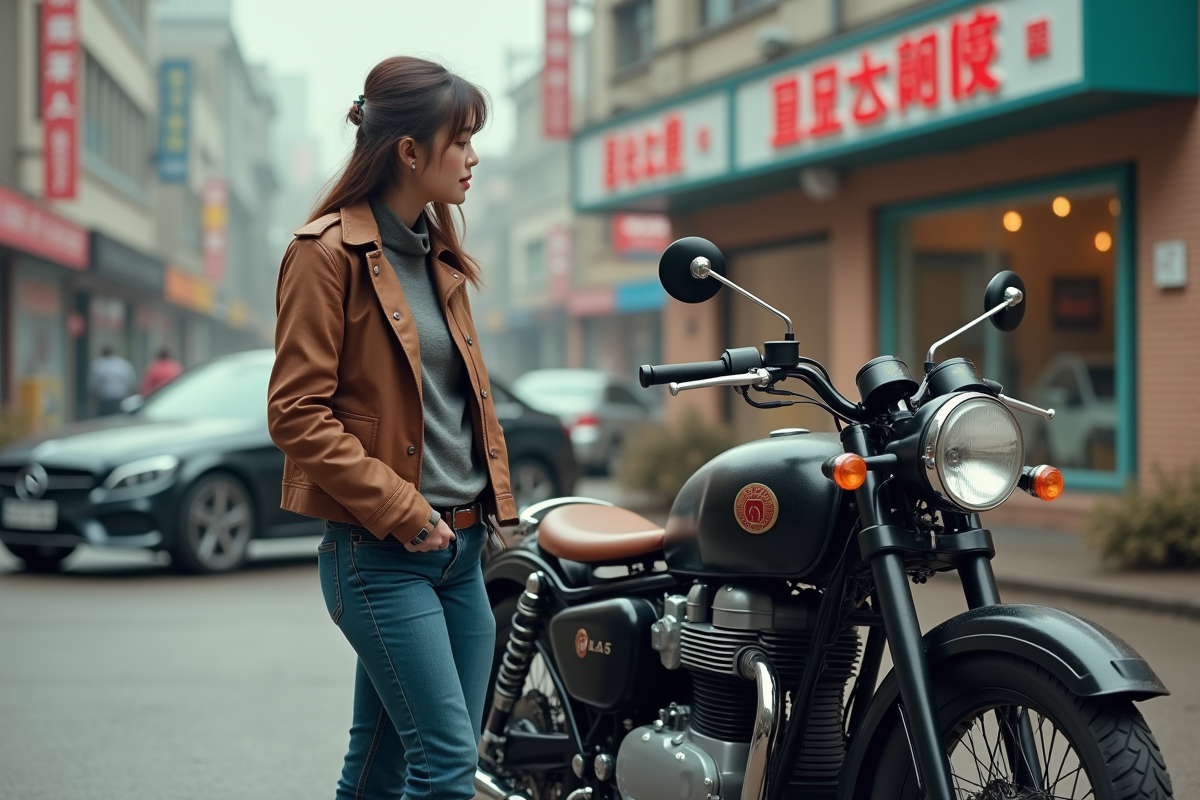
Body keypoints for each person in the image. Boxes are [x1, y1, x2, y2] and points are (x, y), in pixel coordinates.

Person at [266, 56, 518, 800]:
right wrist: (404, 510)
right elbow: (295, 413)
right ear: (409, 151)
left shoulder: (438, 256)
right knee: (445, 775)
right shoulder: (323, 255)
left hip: (460, 552)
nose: (473, 157)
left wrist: (499, 509)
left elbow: (458, 403)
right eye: (460, 140)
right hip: (380, 553)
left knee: (377, 768)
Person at [87, 345, 136, 416]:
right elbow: (131, 383)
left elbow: (93, 386)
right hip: (120, 399)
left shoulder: (97, 365)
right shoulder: (123, 364)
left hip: (105, 400)